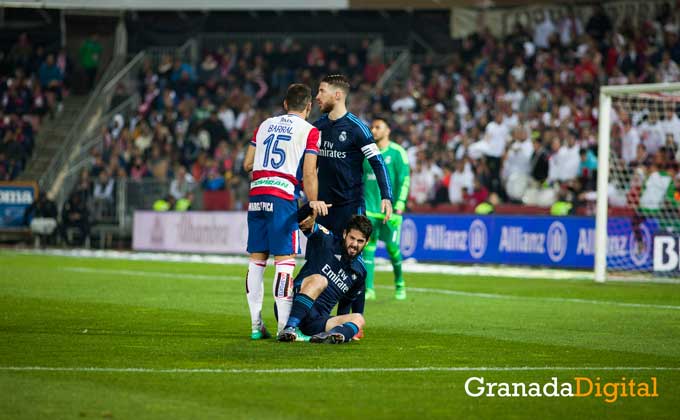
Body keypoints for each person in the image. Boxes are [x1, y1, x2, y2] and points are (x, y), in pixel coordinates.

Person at [243, 83, 330, 340]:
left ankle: (255, 326)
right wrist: (313, 202)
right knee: (284, 263)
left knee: (257, 261)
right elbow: (309, 172)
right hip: (282, 196)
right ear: (308, 106)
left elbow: (247, 163)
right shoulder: (310, 131)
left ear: (284, 104)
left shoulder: (264, 125)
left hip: (257, 193)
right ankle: (284, 328)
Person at [313, 74, 393, 237]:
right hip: (323, 207)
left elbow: (378, 162)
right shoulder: (317, 127)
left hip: (350, 206)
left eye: (322, 91)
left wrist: (386, 196)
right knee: (318, 259)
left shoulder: (357, 129)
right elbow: (309, 166)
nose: (317, 97)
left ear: (337, 95)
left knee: (351, 259)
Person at [278, 208, 371, 344]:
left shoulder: (360, 271)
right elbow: (301, 221)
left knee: (359, 318)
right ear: (345, 234)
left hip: (316, 321)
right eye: (352, 238)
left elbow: (346, 304)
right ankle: (290, 328)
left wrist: (348, 327)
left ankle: (329, 336)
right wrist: (310, 206)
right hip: (290, 308)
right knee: (320, 280)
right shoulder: (326, 239)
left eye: (360, 241)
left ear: (366, 242)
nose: (354, 245)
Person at [361, 116, 410, 301]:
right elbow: (362, 180)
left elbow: (404, 179)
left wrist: (399, 206)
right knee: (368, 248)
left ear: (387, 131)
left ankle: (400, 283)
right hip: (370, 208)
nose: (374, 130)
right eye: (372, 127)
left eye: (378, 127)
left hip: (390, 211)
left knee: (392, 248)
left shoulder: (398, 153)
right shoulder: (366, 153)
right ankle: (369, 289)